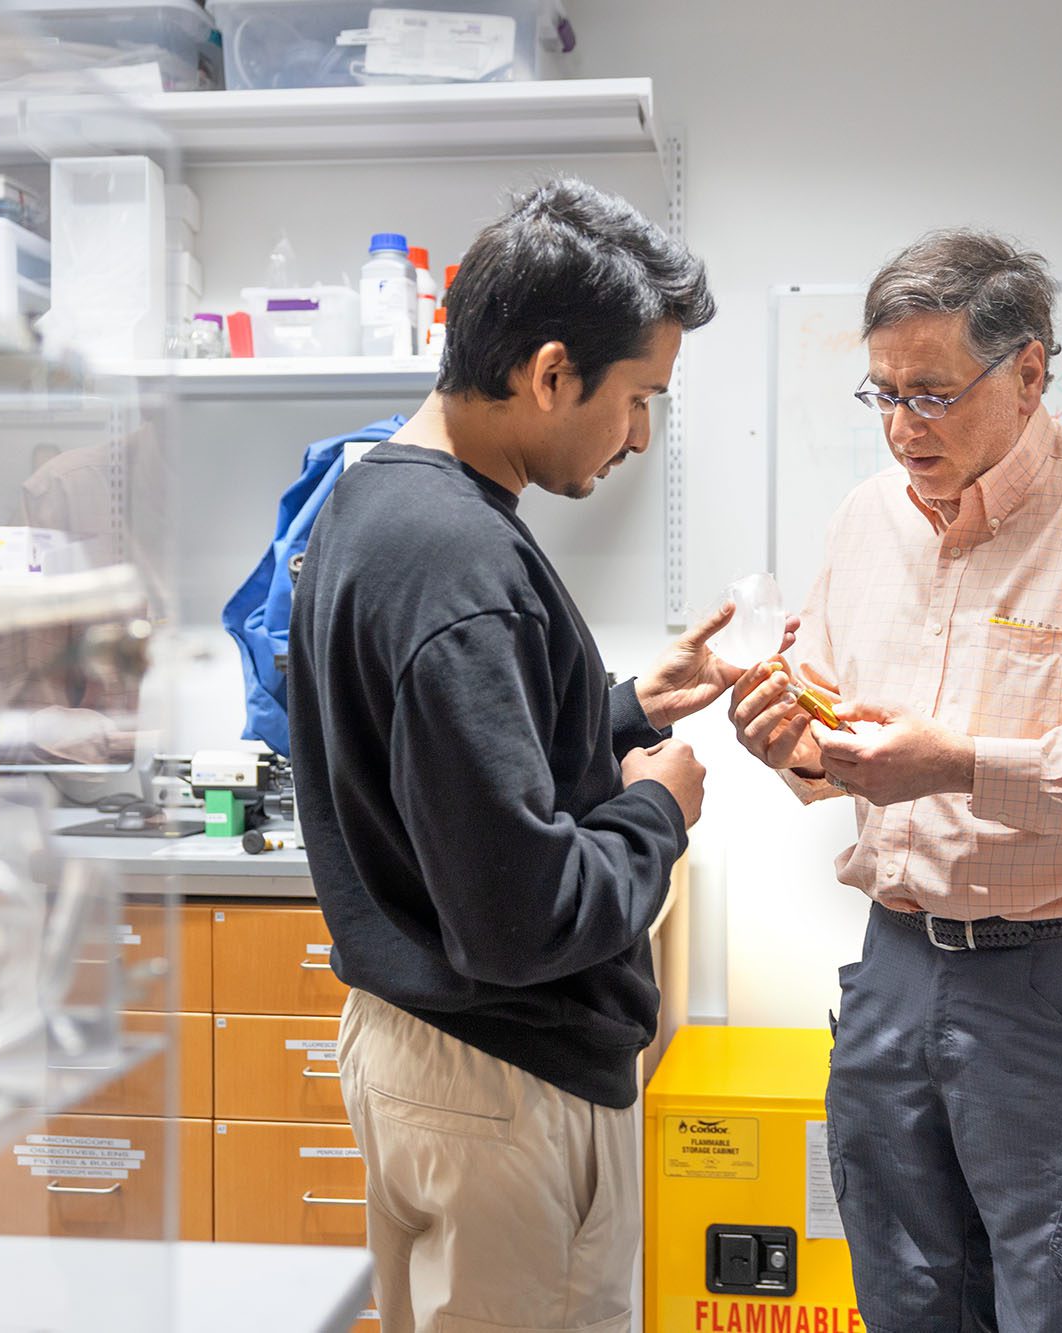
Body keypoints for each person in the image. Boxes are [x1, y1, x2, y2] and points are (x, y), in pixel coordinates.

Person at [728, 229, 1062, 1332]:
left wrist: (961, 764)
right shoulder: (866, 520)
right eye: (881, 392)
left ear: (1026, 371)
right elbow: (837, 746)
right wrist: (786, 739)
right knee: (905, 1296)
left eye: (930, 393)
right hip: (895, 965)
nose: (901, 426)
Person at [289, 178, 756, 1333]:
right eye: (638, 398)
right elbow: (522, 916)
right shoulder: (463, 567)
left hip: (419, 1052)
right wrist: (659, 810)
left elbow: (451, 770)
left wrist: (619, 712)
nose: (640, 435)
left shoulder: (376, 502)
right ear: (551, 373)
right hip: (502, 1081)